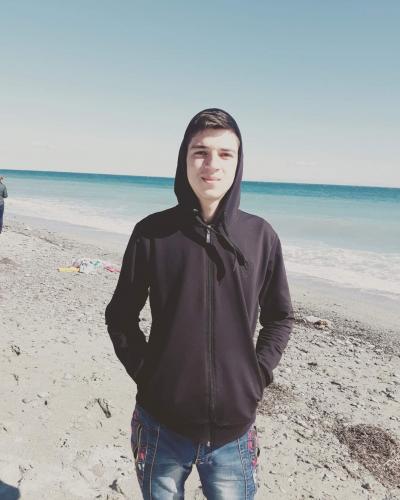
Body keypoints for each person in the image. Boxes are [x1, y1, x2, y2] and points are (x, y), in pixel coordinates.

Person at [105, 108, 294, 499]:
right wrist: (147, 373)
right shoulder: (152, 234)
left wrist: (257, 374)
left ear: (238, 163)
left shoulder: (260, 236)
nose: (212, 164)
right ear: (184, 159)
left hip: (234, 433)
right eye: (200, 152)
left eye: (225, 154)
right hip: (161, 424)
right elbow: (121, 317)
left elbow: (279, 317)